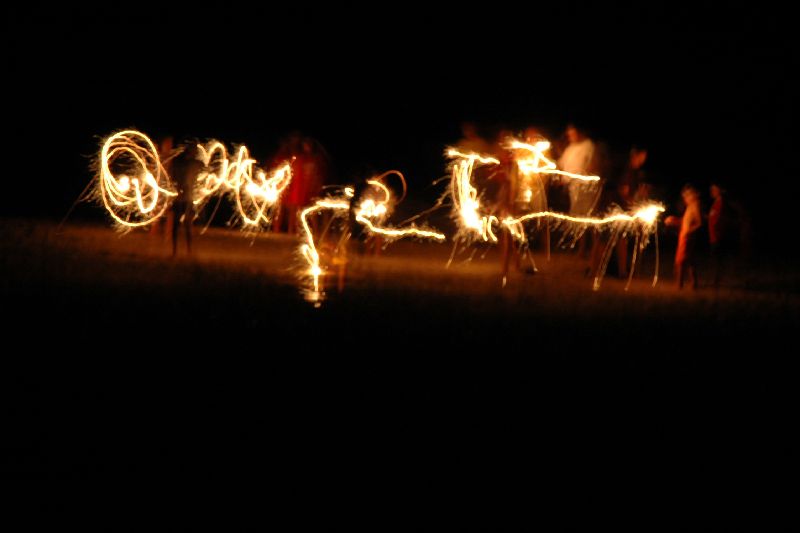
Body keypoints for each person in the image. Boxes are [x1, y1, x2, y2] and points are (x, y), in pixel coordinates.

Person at [665, 184, 702, 289]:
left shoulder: (695, 206)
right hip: (684, 236)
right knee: (689, 260)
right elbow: (686, 221)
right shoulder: (690, 206)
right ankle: (693, 283)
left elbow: (699, 223)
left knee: (680, 260)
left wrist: (689, 231)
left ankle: (679, 284)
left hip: (687, 237)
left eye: (688, 195)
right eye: (684, 196)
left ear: (694, 195)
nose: (685, 198)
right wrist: (674, 220)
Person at [171, 142, 203, 257]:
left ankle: (186, 251)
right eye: (194, 150)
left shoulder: (192, 163)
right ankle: (176, 251)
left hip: (186, 198)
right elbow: (173, 177)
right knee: (178, 225)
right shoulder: (187, 164)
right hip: (181, 198)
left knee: (186, 225)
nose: (196, 152)